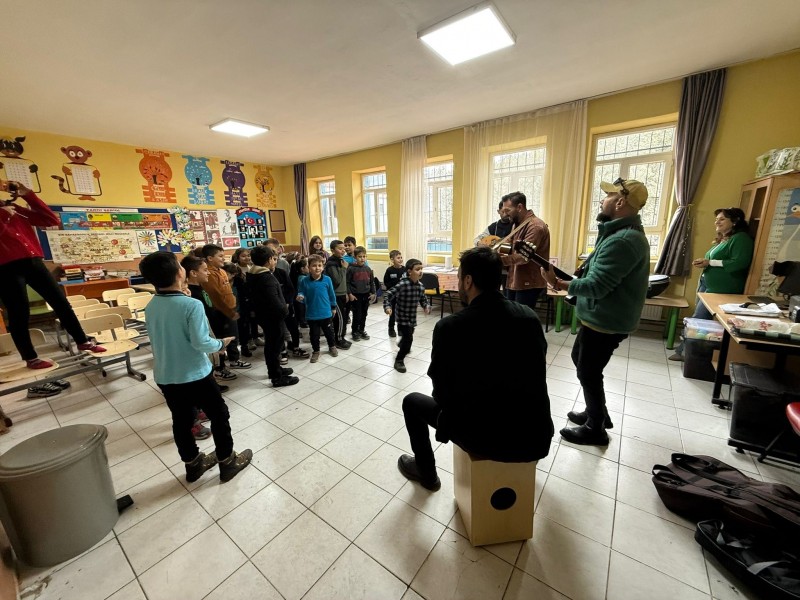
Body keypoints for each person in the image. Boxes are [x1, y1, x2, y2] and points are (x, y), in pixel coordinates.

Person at [397, 247, 553, 491]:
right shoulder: (529, 318)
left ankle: (426, 473)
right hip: (535, 437)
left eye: (460, 278)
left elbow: (441, 394)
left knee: (411, 402)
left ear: (468, 281)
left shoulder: (450, 327)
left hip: (483, 439)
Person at [541, 178, 650, 446]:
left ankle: (596, 428)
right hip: (600, 317)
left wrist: (558, 283)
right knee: (580, 360)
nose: (603, 200)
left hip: (606, 321)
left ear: (620, 202)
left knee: (588, 371)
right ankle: (597, 412)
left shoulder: (623, 240)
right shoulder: (618, 233)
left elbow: (597, 286)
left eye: (608, 196)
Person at [138, 251, 252, 483]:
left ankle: (193, 464)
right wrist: (221, 343)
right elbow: (201, 342)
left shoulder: (151, 305)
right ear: (178, 273)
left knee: (181, 421)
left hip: (166, 374)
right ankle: (227, 461)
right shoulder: (191, 305)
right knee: (219, 415)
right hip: (195, 374)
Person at [0, 180, 106, 370]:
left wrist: (29, 195)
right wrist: (3, 215)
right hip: (6, 267)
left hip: (34, 262)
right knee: (19, 313)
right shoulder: (5, 212)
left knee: (61, 302)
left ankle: (82, 341)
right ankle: (31, 358)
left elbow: (50, 220)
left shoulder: (14, 208)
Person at [669, 207, 754, 361]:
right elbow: (717, 260)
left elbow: (739, 262)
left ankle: (687, 354)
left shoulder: (741, 239)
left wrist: (710, 262)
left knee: (699, 319)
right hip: (708, 285)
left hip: (722, 289)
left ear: (735, 221)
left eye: (722, 219)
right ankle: (686, 351)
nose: (717, 222)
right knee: (699, 319)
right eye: (716, 219)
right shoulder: (726, 239)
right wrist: (705, 262)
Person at [247, 246, 299, 387]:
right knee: (274, 346)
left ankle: (276, 369)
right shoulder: (265, 278)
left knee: (272, 344)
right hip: (272, 317)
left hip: (264, 315)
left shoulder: (253, 273)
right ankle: (276, 377)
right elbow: (274, 300)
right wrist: (285, 312)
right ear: (269, 259)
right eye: (273, 258)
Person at [200, 244, 251, 375]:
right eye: (220, 256)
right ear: (210, 258)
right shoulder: (210, 274)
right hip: (220, 312)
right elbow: (215, 296)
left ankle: (234, 359)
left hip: (230, 310)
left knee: (233, 336)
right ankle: (220, 367)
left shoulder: (221, 271)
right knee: (220, 339)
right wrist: (230, 312)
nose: (224, 258)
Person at [501, 191, 550, 309]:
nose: (505, 214)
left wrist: (497, 260)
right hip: (514, 280)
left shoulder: (535, 226)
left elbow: (523, 257)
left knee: (521, 318)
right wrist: (495, 251)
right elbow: (509, 246)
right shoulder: (517, 224)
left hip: (529, 283)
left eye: (508, 210)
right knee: (510, 315)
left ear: (519, 207)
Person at [383, 259, 430, 373]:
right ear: (409, 271)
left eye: (421, 269)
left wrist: (426, 306)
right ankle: (399, 360)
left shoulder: (420, 286)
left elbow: (423, 299)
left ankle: (402, 343)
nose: (420, 271)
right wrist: (387, 307)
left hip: (411, 316)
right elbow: (388, 295)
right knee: (409, 338)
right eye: (417, 269)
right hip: (402, 316)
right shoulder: (403, 284)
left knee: (409, 334)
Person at [296, 254, 338, 363]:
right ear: (309, 268)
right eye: (314, 265)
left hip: (326, 313)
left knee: (329, 333)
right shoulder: (304, 281)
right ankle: (316, 351)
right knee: (314, 335)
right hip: (312, 314)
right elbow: (301, 292)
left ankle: (332, 346)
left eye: (320, 265)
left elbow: (332, 295)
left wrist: (333, 307)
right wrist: (300, 296)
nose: (317, 268)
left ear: (323, 267)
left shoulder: (327, 280)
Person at [324, 239, 352, 349]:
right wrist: (344, 268)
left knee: (343, 318)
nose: (343, 251)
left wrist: (346, 292)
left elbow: (344, 280)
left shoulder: (340, 261)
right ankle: (338, 339)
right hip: (335, 295)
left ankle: (341, 337)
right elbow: (337, 280)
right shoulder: (331, 263)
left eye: (344, 249)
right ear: (332, 250)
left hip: (342, 294)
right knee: (339, 319)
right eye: (340, 249)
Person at [346, 246, 376, 340]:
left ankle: (362, 330)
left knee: (364, 314)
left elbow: (371, 282)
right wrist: (350, 294)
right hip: (356, 296)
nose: (362, 258)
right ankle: (355, 331)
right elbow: (347, 282)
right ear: (355, 257)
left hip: (366, 295)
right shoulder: (351, 269)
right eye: (360, 256)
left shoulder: (368, 269)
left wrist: (373, 293)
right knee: (357, 314)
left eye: (364, 256)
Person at [383, 250, 405, 338]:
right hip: (393, 295)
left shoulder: (404, 269)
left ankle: (400, 329)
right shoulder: (389, 270)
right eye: (398, 258)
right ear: (392, 259)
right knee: (392, 313)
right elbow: (386, 282)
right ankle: (391, 329)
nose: (400, 259)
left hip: (402, 296)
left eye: (401, 257)